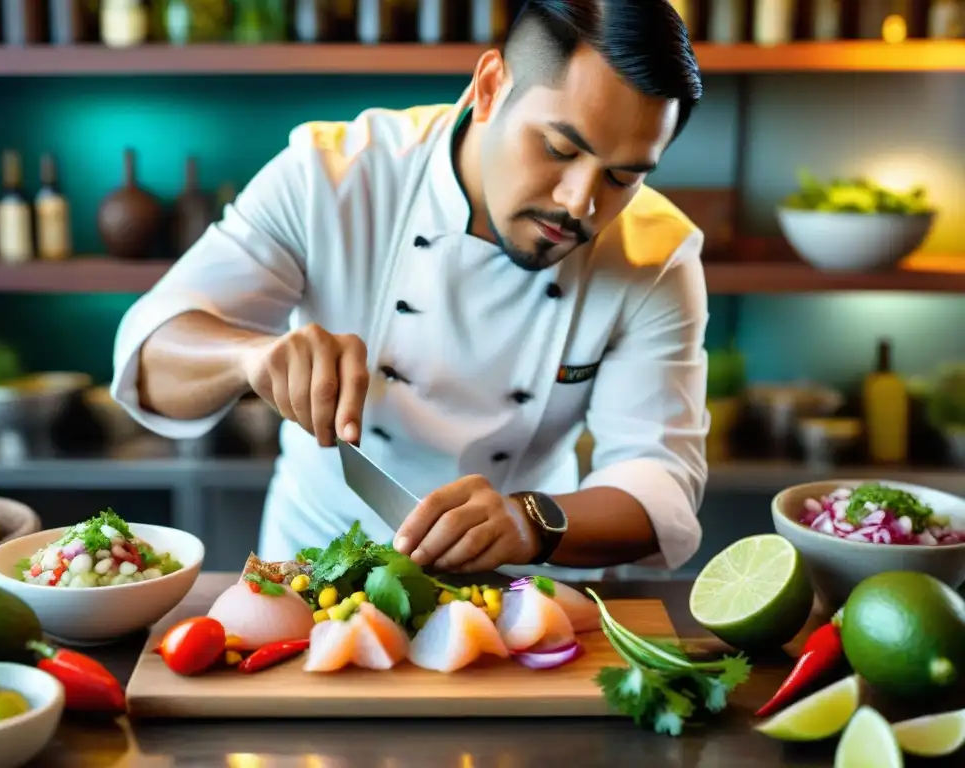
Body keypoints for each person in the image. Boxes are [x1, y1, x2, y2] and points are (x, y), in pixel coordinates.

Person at [110, 0, 709, 582]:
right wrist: (250, 356)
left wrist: (529, 522)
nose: (582, 201)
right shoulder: (332, 176)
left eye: (623, 175)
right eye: (559, 149)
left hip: (523, 589)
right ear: (491, 85)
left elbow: (658, 485)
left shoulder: (654, 253)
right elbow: (150, 358)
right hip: (311, 573)